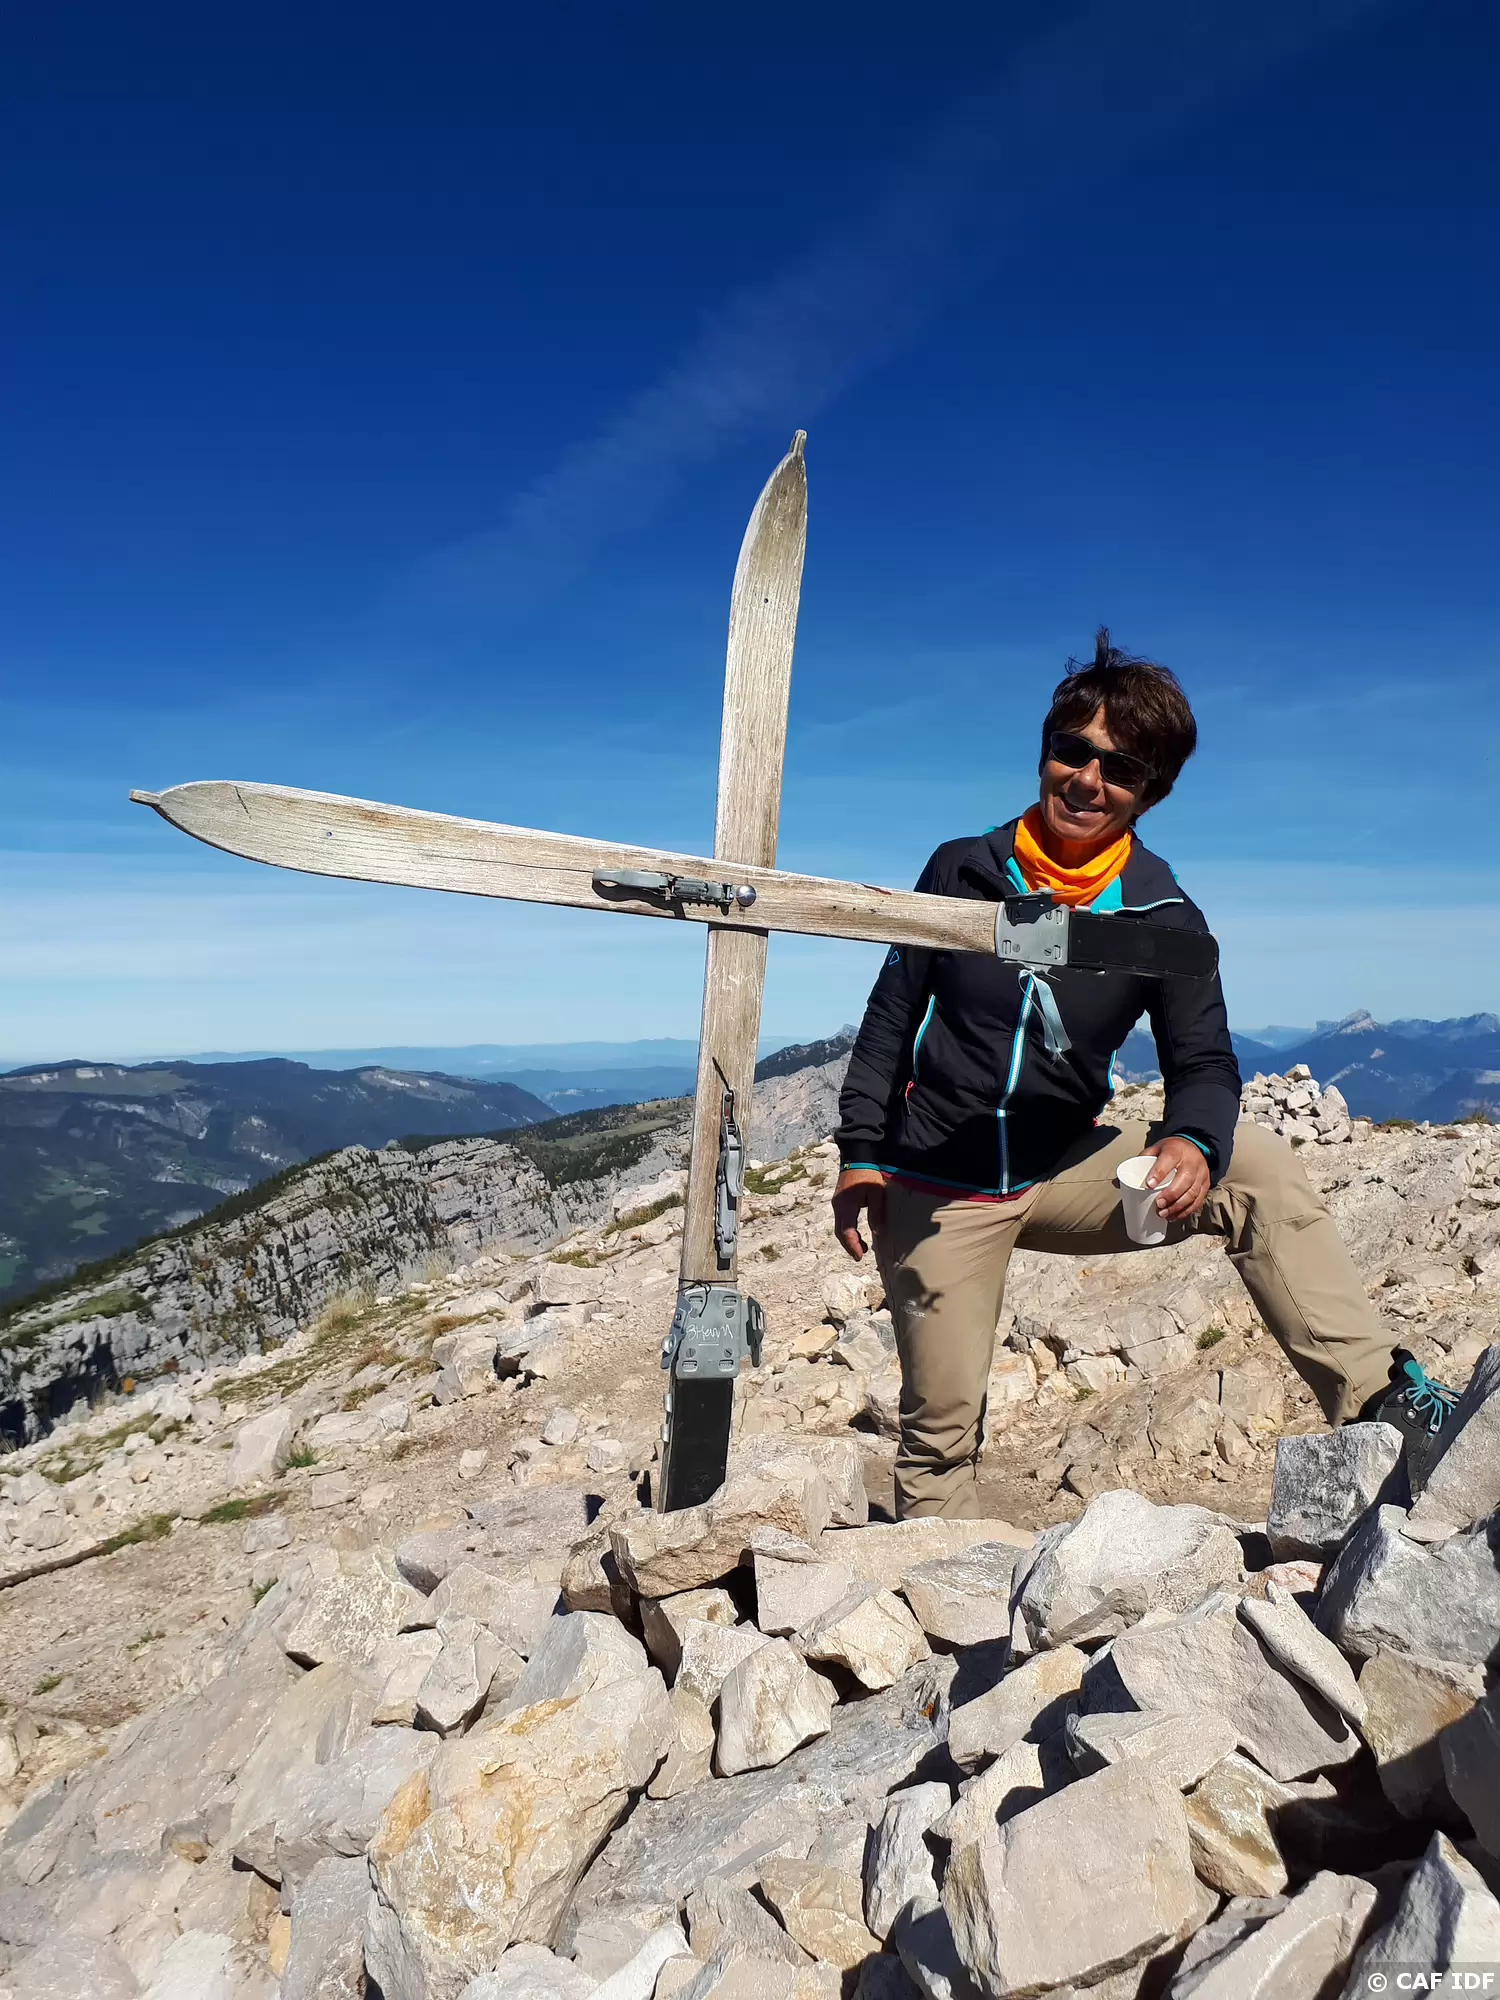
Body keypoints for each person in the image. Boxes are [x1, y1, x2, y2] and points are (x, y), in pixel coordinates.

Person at [831, 628, 1456, 1520]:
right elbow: (892, 1015)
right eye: (1072, 751)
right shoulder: (961, 870)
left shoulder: (1165, 916)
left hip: (1062, 1166)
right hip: (938, 1177)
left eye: (1120, 769)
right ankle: (936, 1583)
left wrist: (1195, 1139)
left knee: (1256, 1166)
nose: (1088, 780)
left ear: (1150, 792)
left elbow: (1204, 1059)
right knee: (939, 1437)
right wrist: (861, 1154)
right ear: (1045, 751)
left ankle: (1383, 1407)